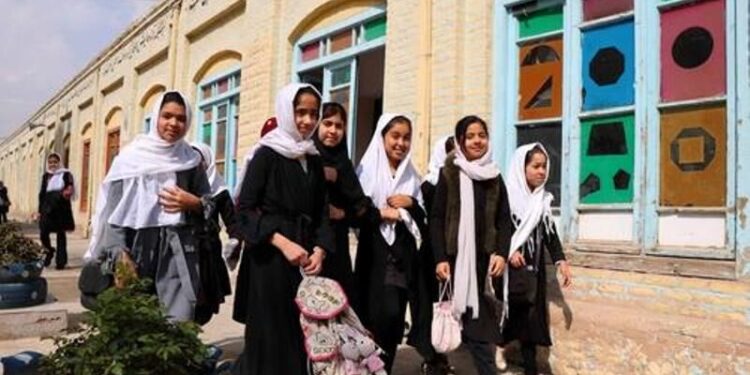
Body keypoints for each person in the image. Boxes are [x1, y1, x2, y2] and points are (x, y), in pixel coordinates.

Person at [84, 91, 211, 322]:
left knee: (179, 322)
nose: (174, 123)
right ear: (156, 117)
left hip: (178, 251)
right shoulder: (129, 158)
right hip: (135, 247)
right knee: (134, 321)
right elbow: (113, 213)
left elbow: (211, 205)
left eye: (181, 118)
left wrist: (194, 203)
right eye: (167, 116)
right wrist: (119, 254)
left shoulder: (191, 161)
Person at [232, 83, 332, 375]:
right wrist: (282, 243)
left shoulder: (313, 158)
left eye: (314, 114)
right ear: (287, 111)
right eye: (300, 112)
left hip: (305, 259)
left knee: (300, 335)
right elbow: (245, 211)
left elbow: (321, 212)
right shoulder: (267, 154)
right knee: (270, 336)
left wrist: (321, 250)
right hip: (270, 259)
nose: (307, 121)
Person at [431, 115, 512, 375]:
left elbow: (504, 218)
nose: (477, 141)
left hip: (483, 261)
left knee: (478, 322)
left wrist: (501, 252)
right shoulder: (450, 173)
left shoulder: (495, 176)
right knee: (468, 322)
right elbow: (437, 217)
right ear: (460, 141)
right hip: (455, 261)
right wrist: (440, 257)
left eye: (482, 135)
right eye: (471, 136)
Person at [355, 113, 426, 373]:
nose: (401, 143)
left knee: (394, 318)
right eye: (395, 136)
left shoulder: (411, 175)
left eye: (406, 138)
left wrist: (411, 204)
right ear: (382, 137)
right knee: (373, 318)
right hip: (374, 253)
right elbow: (356, 212)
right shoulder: (366, 171)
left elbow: (423, 220)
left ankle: (384, 368)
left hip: (401, 256)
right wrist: (382, 213)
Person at [501, 142, 572, 375]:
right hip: (508, 269)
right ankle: (497, 348)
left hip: (534, 269)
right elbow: (495, 231)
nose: (541, 171)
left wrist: (560, 260)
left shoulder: (542, 201)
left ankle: (530, 367)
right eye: (535, 166)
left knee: (531, 319)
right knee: (511, 313)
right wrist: (509, 252)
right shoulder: (506, 198)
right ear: (522, 168)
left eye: (544, 167)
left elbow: (550, 234)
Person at [313, 102, 373, 303]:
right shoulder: (305, 156)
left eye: (339, 126)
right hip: (308, 243)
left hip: (337, 247)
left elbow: (360, 207)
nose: (333, 130)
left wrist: (343, 214)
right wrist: (318, 176)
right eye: (327, 123)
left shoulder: (344, 165)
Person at [408, 135, 456, 375]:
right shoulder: (429, 183)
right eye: (451, 151)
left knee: (446, 307)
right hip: (430, 253)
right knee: (430, 307)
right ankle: (430, 357)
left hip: (450, 253)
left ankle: (442, 356)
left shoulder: (459, 181)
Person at [190, 142, 235, 325]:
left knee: (205, 303)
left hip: (208, 251)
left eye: (200, 162)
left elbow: (232, 220)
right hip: (184, 251)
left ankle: (194, 342)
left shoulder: (218, 190)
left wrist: (235, 240)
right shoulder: (182, 185)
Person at [35, 153, 75, 269]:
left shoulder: (66, 174)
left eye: (55, 162)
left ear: (59, 162)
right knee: (43, 232)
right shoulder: (46, 176)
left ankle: (61, 261)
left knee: (60, 233)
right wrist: (39, 210)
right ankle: (49, 251)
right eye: (50, 162)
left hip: (61, 206)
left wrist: (64, 193)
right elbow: (42, 193)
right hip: (47, 206)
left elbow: (70, 188)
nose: (53, 164)